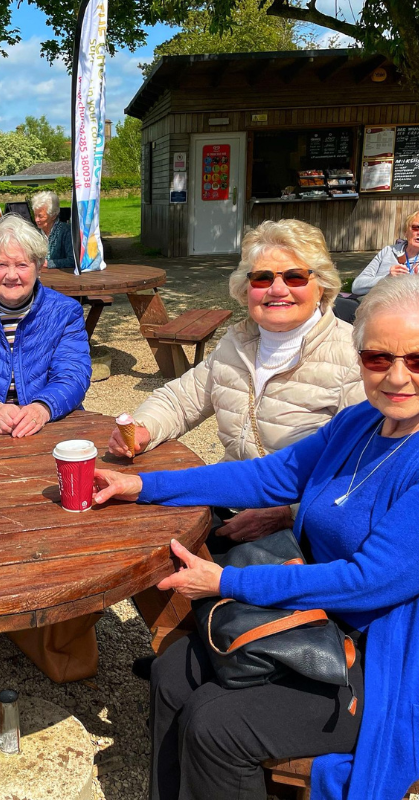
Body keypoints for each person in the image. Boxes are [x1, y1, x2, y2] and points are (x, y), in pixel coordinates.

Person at [93, 275, 419, 800]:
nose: (397, 376)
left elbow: (369, 582)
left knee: (217, 724)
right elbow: (267, 477)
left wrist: (229, 581)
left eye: (417, 360)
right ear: (360, 359)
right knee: (173, 673)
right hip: (314, 618)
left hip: (384, 656)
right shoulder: (362, 421)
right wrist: (142, 485)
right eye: (379, 358)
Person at [109, 219, 364, 546]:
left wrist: (287, 513)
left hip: (304, 524)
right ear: (246, 289)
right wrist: (144, 427)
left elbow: (364, 470)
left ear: (322, 286)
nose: (277, 289)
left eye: (295, 276)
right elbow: (181, 400)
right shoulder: (238, 343)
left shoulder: (354, 357)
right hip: (228, 498)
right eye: (262, 278)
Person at [0, 214, 91, 437]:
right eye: (1, 265)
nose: (11, 275)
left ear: (39, 266)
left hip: (50, 421)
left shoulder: (65, 312)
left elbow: (73, 375)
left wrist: (42, 408)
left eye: (22, 265)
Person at [351, 209, 419, 296]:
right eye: (416, 228)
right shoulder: (388, 251)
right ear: (406, 232)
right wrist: (387, 278)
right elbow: (357, 286)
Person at [32, 190, 75, 270]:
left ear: (53, 216)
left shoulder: (66, 231)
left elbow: (73, 260)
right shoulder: (35, 233)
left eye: (40, 216)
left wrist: (49, 263)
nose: (36, 220)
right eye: (35, 215)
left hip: (62, 279)